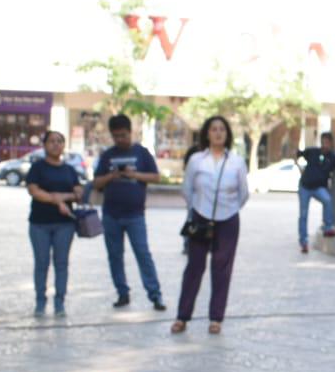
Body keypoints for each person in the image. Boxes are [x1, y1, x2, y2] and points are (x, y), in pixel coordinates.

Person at [174, 115, 249, 335]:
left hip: (228, 220)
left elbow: (243, 194)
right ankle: (182, 316)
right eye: (214, 129)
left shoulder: (236, 161)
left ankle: (216, 318)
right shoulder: (197, 159)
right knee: (194, 268)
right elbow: (187, 190)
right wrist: (198, 208)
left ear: (227, 135)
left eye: (222, 130)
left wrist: (229, 209)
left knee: (222, 269)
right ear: (207, 133)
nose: (218, 133)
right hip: (200, 218)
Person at [92, 113, 165, 310]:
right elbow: (96, 182)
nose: (120, 139)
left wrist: (134, 174)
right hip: (111, 215)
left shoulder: (141, 153)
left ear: (130, 132)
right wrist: (111, 176)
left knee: (143, 254)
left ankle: (155, 294)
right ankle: (122, 292)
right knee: (115, 255)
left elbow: (156, 177)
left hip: (135, 215)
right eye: (116, 136)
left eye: (123, 135)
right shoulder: (107, 156)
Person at [25, 130, 83, 317]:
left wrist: (64, 196)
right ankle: (40, 302)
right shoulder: (38, 168)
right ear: (45, 145)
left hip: (65, 224)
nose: (56, 144)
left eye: (60, 141)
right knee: (41, 263)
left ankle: (60, 302)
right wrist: (56, 201)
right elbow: (34, 190)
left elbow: (79, 193)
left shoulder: (69, 170)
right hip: (39, 223)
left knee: (62, 263)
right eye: (52, 141)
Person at [295, 130, 335, 253]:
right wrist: (298, 167)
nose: (325, 145)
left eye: (327, 142)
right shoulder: (312, 151)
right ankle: (304, 242)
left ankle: (328, 227)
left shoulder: (332, 156)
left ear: (331, 143)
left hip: (318, 188)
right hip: (305, 187)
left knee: (327, 200)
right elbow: (297, 154)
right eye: (323, 142)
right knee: (303, 215)